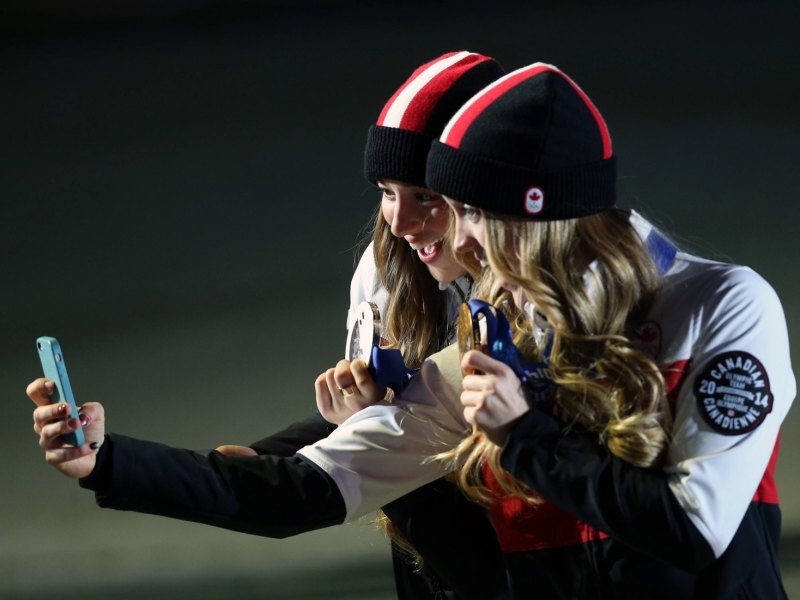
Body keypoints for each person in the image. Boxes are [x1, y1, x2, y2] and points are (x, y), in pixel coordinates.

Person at [29, 51, 508, 600]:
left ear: (485, 192)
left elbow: (371, 454)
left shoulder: (539, 307)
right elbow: (402, 423)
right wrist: (269, 456)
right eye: (386, 193)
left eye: (425, 195)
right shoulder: (393, 268)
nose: (399, 223)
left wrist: (112, 463)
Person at [421, 61, 796, 597]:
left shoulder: (725, 303)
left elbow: (694, 528)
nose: (460, 244)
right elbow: (393, 435)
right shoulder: (506, 323)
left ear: (536, 216)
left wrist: (527, 436)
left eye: (474, 212)